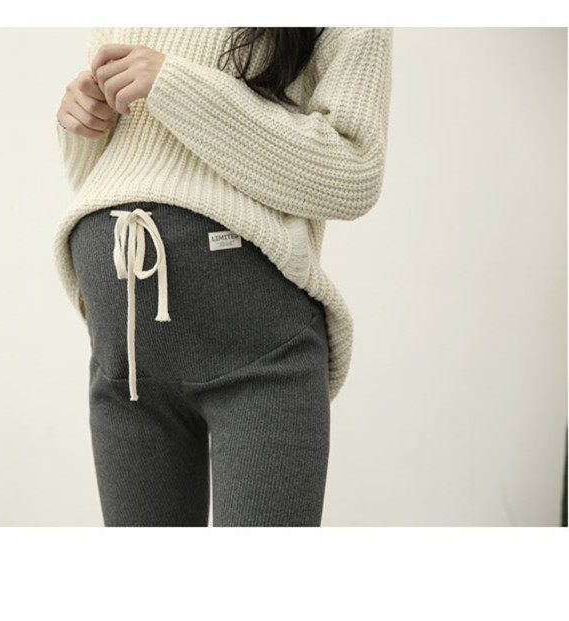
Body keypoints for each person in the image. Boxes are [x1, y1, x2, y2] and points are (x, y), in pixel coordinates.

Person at [54, 27, 393, 526]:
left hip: (256, 345)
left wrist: (176, 86)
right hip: (125, 353)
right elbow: (116, 172)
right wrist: (82, 121)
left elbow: (353, 172)